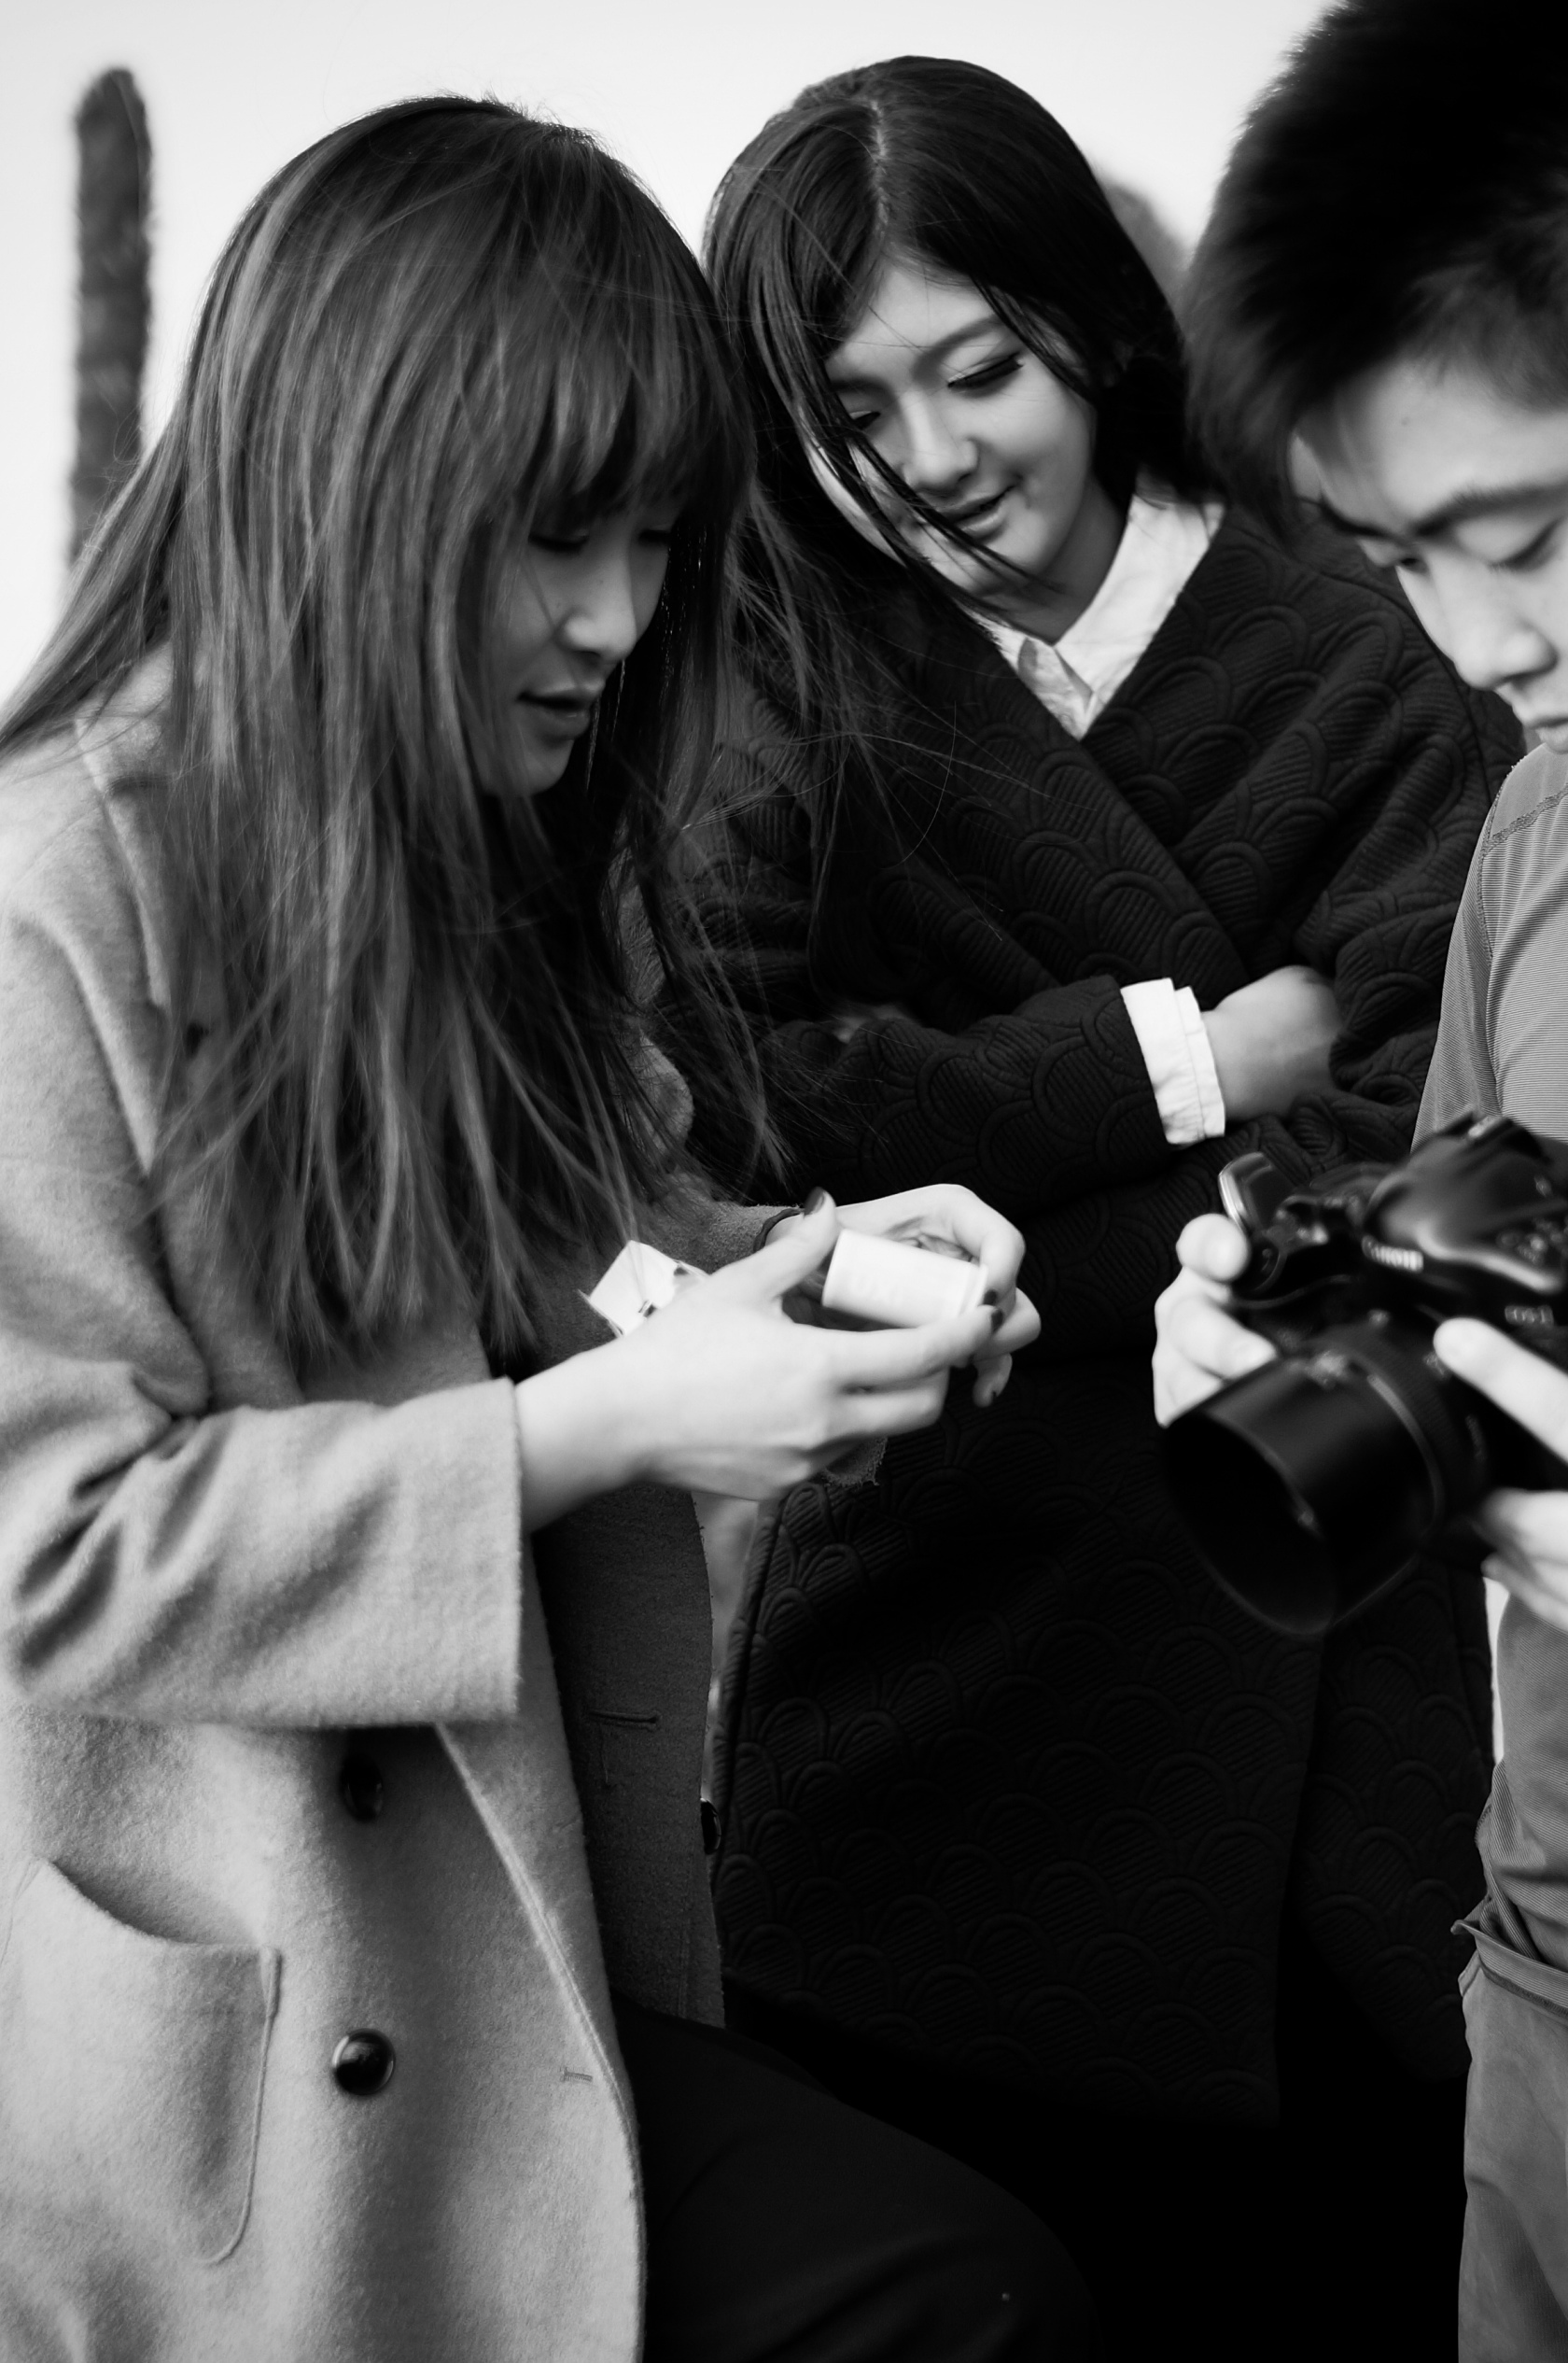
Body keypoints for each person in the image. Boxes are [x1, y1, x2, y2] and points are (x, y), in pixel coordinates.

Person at [0, 97, 1106, 2363]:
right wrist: (607, 1432)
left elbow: (580, 1261)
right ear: (358, 483)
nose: (615, 620)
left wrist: (787, 1273)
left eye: (659, 540)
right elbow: (53, 1553)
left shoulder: (473, 835)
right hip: (251, 2061)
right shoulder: (53, 902)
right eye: (554, 536)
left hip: (512, 1953)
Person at [665, 52, 1521, 2359]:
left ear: (1095, 331)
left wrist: (965, 1129)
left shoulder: (1362, 636)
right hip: (930, 1672)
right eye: (855, 409)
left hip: (1325, 1637)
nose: (933, 458)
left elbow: (1437, 1119)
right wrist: (1176, 1057)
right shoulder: (781, 671)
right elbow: (726, 1086)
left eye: (982, 371)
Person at [1152, 3, 1568, 2355]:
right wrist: (1297, 1347)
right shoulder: (1537, 822)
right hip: (1545, 1981)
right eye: (1403, 559)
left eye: (1531, 538)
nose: (1484, 644)